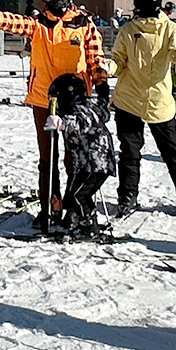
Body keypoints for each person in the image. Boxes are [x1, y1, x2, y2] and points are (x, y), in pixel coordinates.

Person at [0, 0, 108, 223]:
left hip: (75, 100)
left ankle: (75, 207)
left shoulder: (84, 24)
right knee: (47, 157)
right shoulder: (39, 23)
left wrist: (101, 85)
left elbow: (95, 57)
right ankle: (50, 206)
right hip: (44, 99)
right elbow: (15, 22)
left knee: (75, 157)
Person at [110, 0, 176, 219]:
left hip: (159, 100)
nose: (145, 3)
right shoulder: (128, 30)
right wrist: (107, 67)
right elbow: (119, 60)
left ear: (159, 0)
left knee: (173, 152)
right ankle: (127, 196)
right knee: (130, 152)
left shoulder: (169, 28)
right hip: (129, 99)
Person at [42, 73, 114, 235]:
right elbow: (103, 109)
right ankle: (82, 221)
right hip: (88, 164)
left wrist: (62, 123)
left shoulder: (80, 110)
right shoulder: (89, 106)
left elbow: (81, 122)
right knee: (73, 196)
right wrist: (103, 93)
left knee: (78, 196)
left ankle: (90, 225)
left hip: (96, 164)